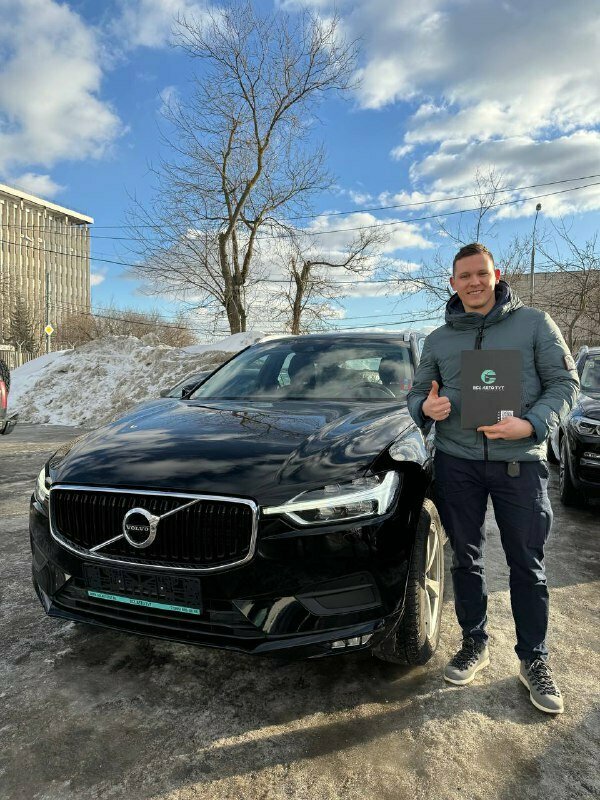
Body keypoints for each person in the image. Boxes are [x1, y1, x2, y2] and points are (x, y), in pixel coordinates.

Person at [407, 242, 579, 715]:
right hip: (457, 462)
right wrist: (426, 407)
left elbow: (565, 385)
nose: (474, 283)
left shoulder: (535, 324)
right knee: (466, 559)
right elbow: (417, 394)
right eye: (464, 276)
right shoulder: (439, 339)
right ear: (453, 282)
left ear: (496, 275)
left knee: (527, 563)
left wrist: (532, 424)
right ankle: (474, 643)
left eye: (481, 273)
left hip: (519, 463)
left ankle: (534, 659)